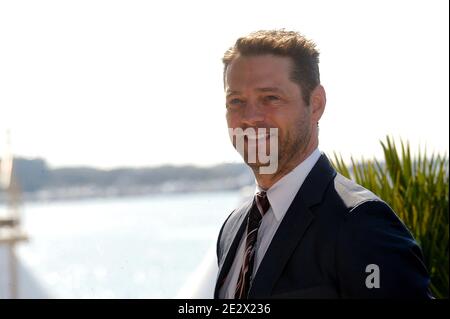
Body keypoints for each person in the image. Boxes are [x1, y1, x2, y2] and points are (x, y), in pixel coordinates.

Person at [214, 29, 432, 299]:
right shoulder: (233, 228)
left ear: (316, 104)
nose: (250, 117)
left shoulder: (361, 224)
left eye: (270, 98)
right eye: (236, 101)